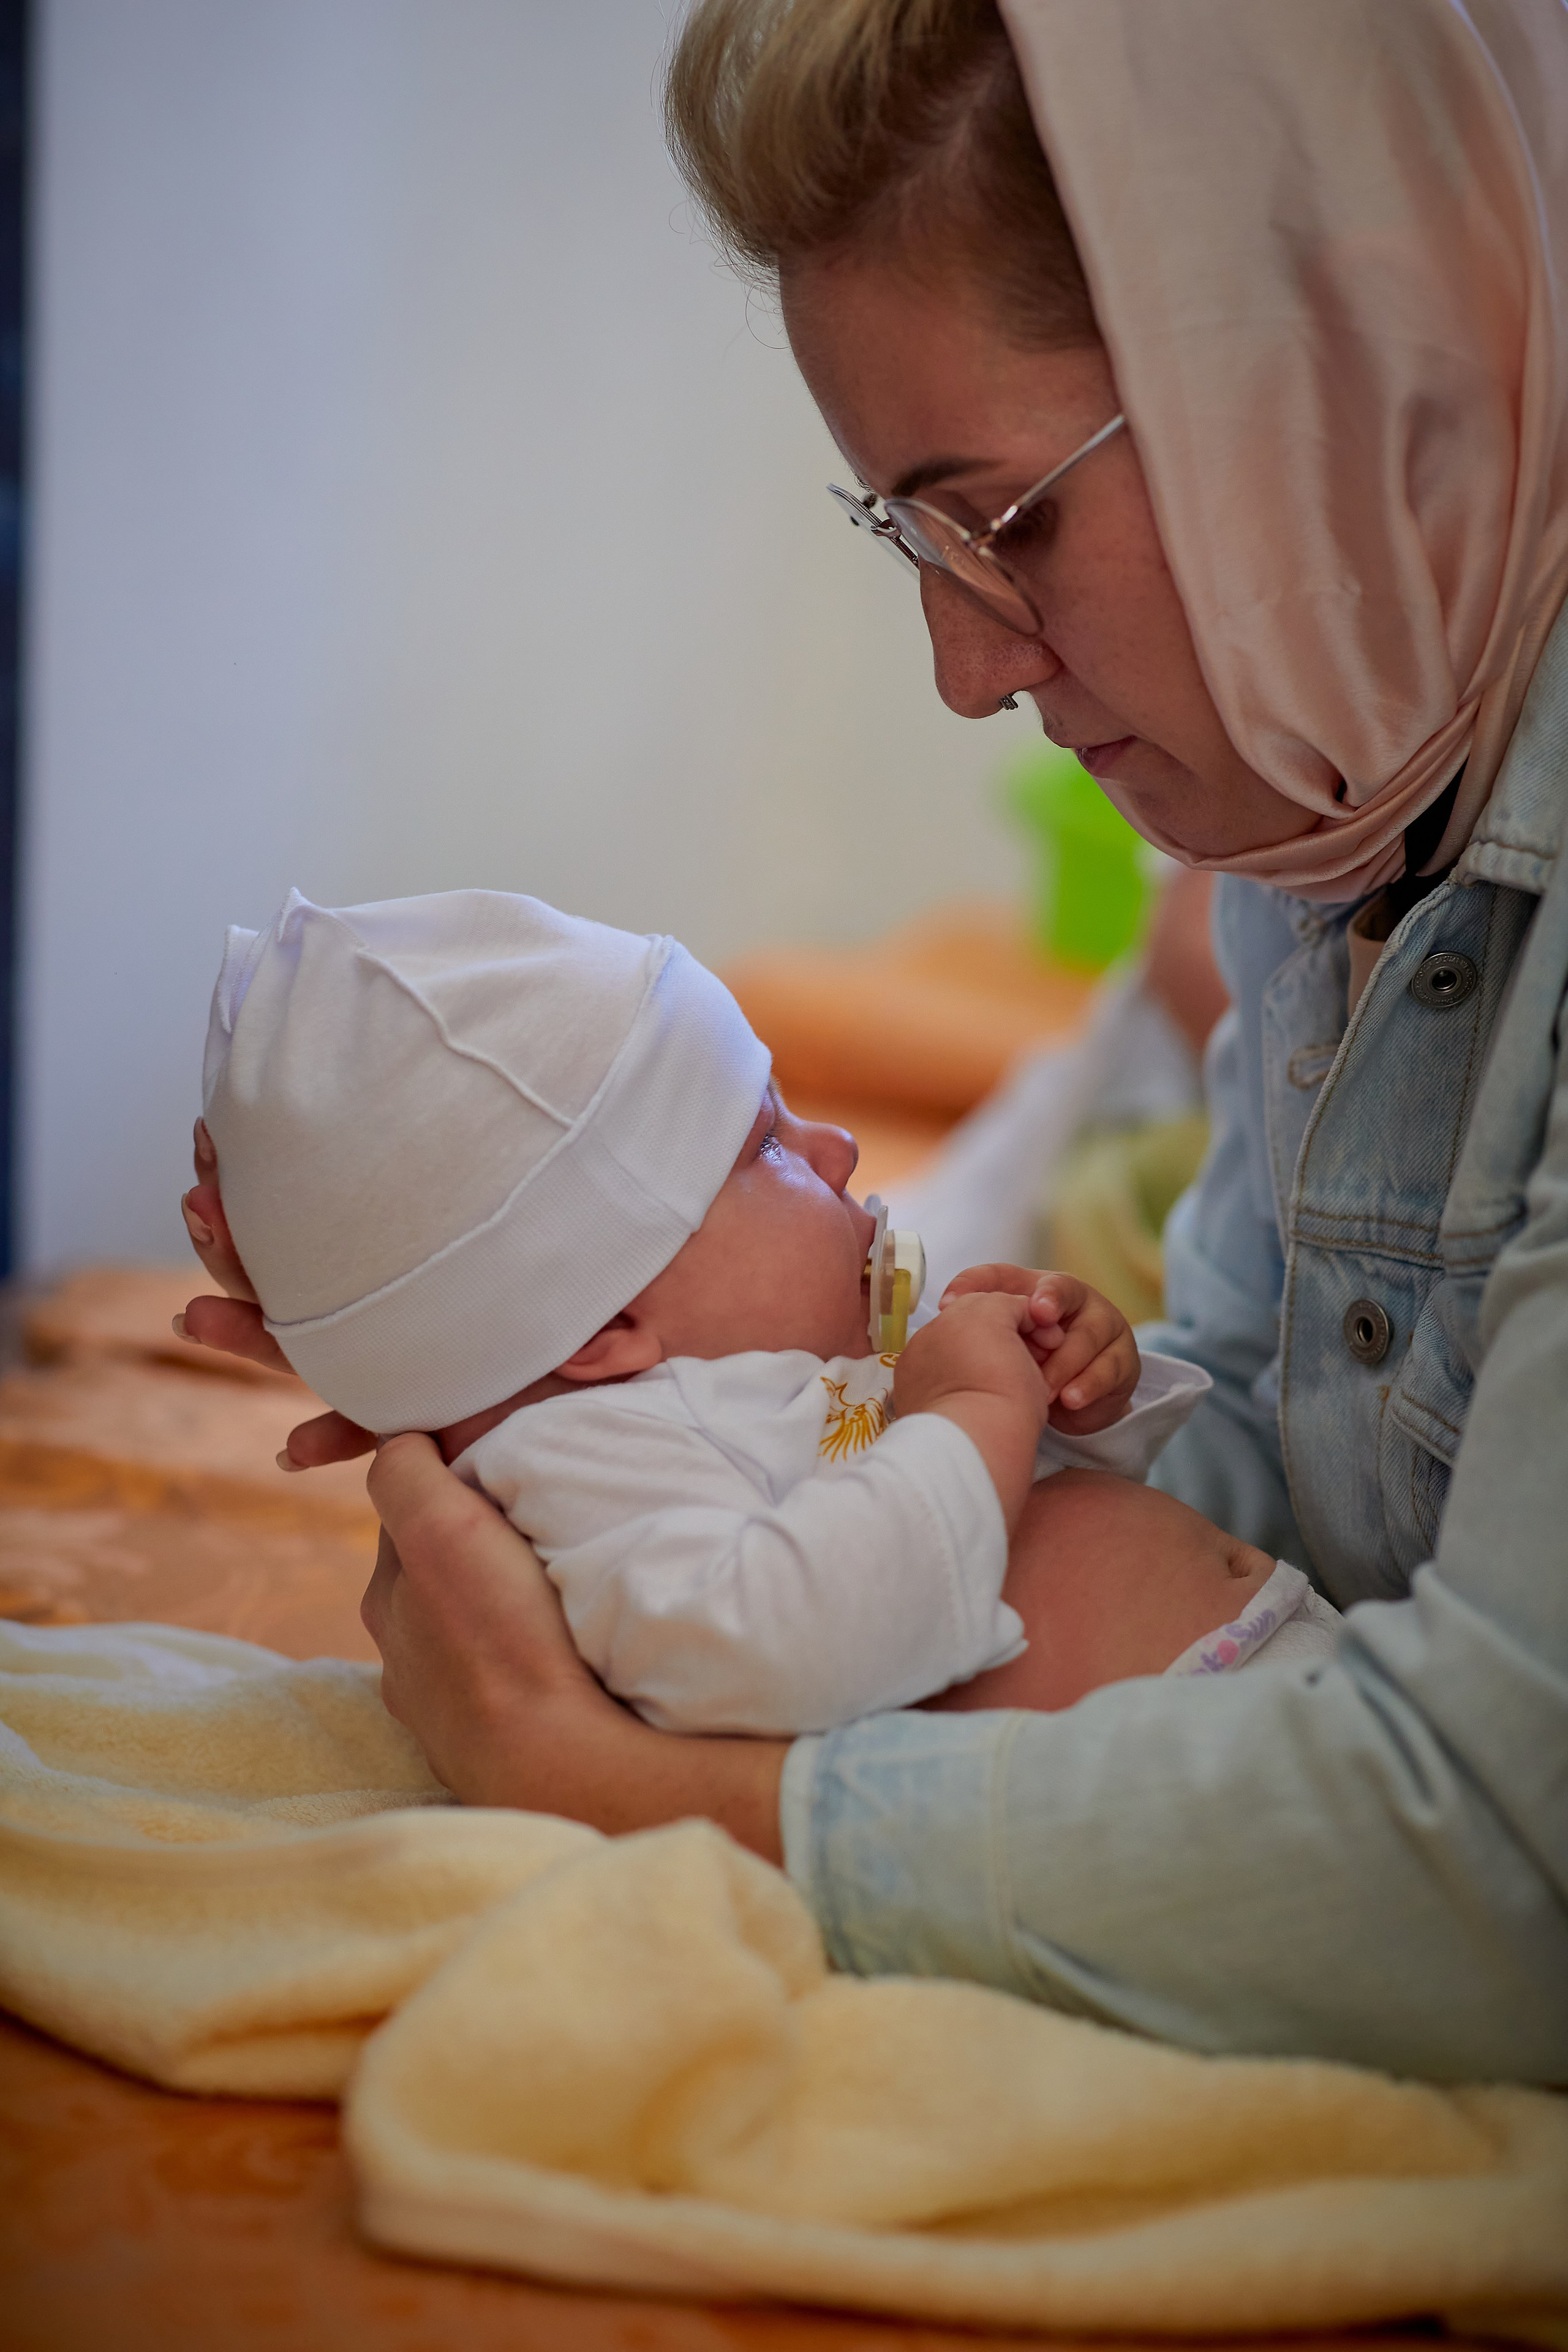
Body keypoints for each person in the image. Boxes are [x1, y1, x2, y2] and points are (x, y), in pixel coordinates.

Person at [181, 0, 1568, 2080]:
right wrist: (473, 1311)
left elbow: (1510, 1875)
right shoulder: (1329, 826)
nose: (958, 665)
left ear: (1341, 367)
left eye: (1002, 522)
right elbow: (1295, 1508)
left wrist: (628, 1792)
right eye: (905, 538)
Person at [202, 883, 1335, 1735]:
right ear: (601, 1330)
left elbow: (946, 1498)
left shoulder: (776, 1373)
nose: (837, 1148)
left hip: (1281, 1714)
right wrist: (981, 1407)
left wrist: (1075, 1394)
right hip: (1152, 1797)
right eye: (766, 1144)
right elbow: (791, 1642)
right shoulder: (593, 1459)